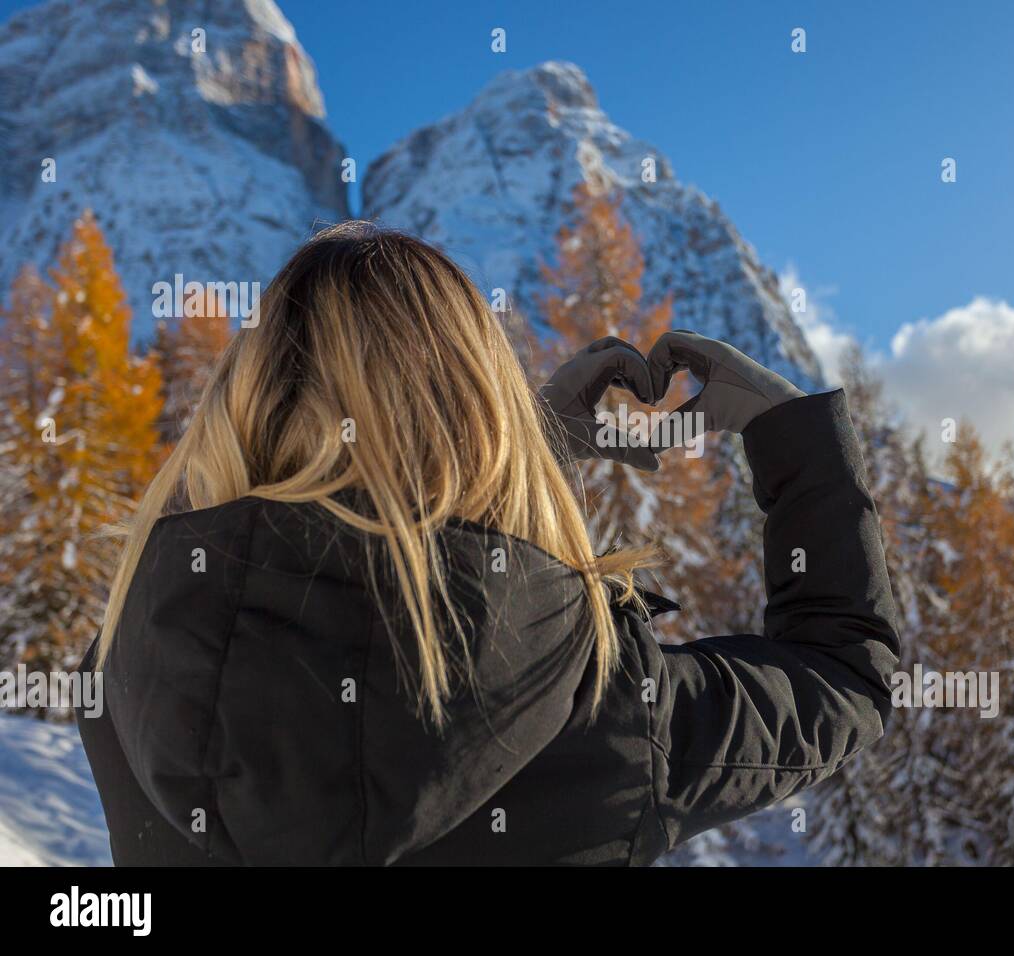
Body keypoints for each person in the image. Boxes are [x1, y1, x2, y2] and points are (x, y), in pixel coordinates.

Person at [75, 221, 901, 866]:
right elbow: (845, 677)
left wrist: (525, 454)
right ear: (478, 411)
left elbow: (238, 546)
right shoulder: (599, 697)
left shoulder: (129, 673)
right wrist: (792, 436)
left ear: (241, 408)